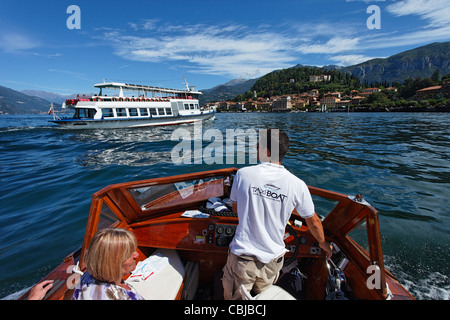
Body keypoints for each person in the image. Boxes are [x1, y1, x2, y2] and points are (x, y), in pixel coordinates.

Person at [222, 128, 333, 300]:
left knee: (235, 299)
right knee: (264, 296)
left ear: (267, 151)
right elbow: (313, 221)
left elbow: (236, 209)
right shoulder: (297, 184)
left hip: (243, 258)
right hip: (272, 261)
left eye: (258, 146)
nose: (256, 149)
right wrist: (323, 243)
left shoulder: (243, 174)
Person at [72, 228, 144, 300]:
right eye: (129, 254)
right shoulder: (121, 296)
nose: (137, 255)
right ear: (113, 264)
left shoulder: (88, 275)